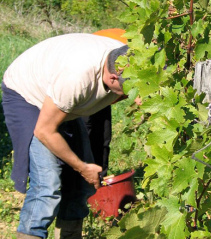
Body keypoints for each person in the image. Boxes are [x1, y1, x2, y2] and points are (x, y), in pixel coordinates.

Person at [1, 33, 128, 238]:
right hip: (28, 95)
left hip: (59, 94)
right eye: (129, 89)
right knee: (47, 184)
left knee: (80, 184)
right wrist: (82, 166)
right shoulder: (77, 78)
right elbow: (45, 131)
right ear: (113, 77)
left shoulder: (127, 57)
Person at [82, 29, 128, 176]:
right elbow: (120, 87)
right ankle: (79, 180)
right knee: (84, 132)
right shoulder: (127, 50)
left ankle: (99, 178)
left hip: (106, 80)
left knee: (102, 133)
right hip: (90, 81)